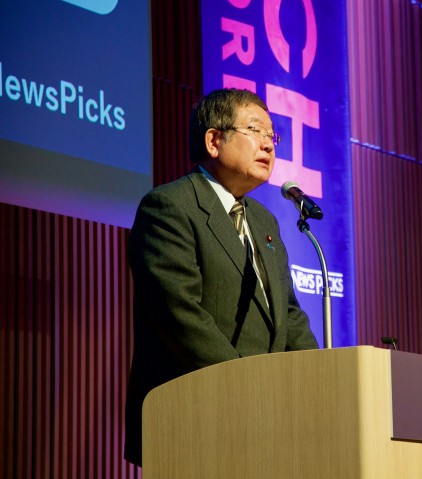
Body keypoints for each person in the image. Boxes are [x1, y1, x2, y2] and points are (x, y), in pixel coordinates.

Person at [123, 88, 319, 467]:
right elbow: (180, 315)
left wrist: (320, 384)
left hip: (266, 425)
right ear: (214, 141)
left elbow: (289, 317)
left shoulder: (264, 220)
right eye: (255, 130)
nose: (268, 144)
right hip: (194, 418)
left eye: (272, 136)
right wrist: (246, 389)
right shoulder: (169, 207)